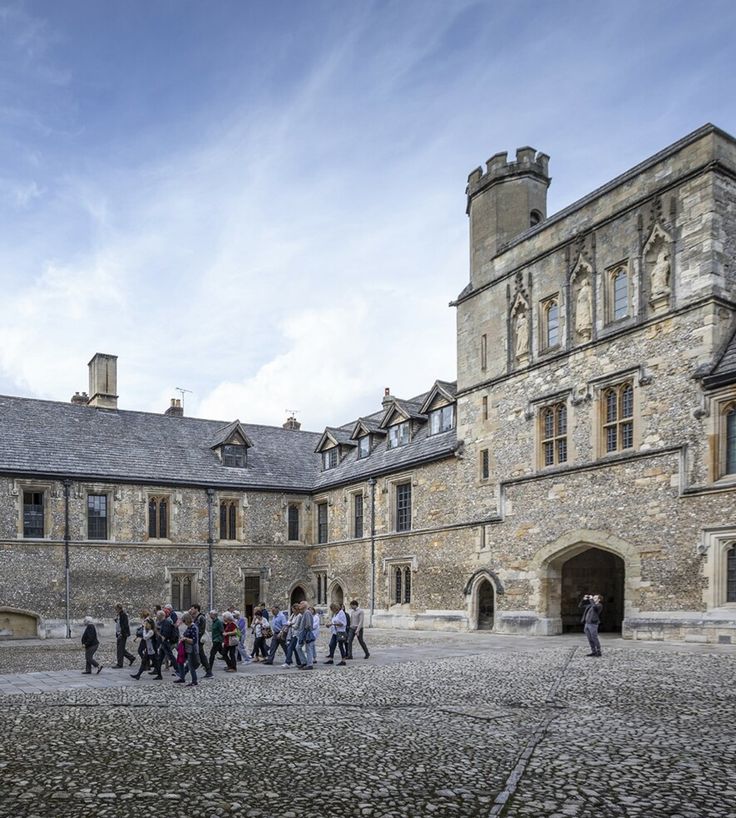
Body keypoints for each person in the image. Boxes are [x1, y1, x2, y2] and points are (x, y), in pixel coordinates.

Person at [174, 613, 200, 686]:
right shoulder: (189, 627)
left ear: (187, 620)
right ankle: (182, 678)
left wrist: (185, 639)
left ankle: (194, 681)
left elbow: (194, 641)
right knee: (180, 662)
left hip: (191, 649)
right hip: (185, 648)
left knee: (191, 666)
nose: (184, 623)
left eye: (184, 621)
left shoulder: (194, 627)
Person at [190, 604, 212, 678]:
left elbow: (200, 630)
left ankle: (185, 670)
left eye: (192, 609)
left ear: (196, 609)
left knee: (196, 656)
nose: (191, 610)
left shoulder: (201, 618)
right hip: (197, 640)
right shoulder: (196, 618)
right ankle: (208, 671)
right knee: (201, 655)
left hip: (198, 640)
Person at [294, 601, 315, 669]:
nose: (299, 605)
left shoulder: (307, 612)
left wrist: (305, 633)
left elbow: (308, 625)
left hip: (306, 634)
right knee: (298, 647)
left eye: (301, 604)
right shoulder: (304, 613)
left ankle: (309, 664)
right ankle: (304, 662)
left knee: (308, 648)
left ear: (304, 606)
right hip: (303, 634)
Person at [114, 603, 135, 668]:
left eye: (116, 609)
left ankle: (120, 664)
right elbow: (120, 624)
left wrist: (121, 633)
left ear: (119, 608)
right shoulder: (119, 615)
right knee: (121, 648)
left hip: (122, 634)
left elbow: (125, 625)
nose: (115, 610)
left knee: (120, 649)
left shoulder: (123, 615)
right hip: (119, 634)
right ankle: (131, 658)